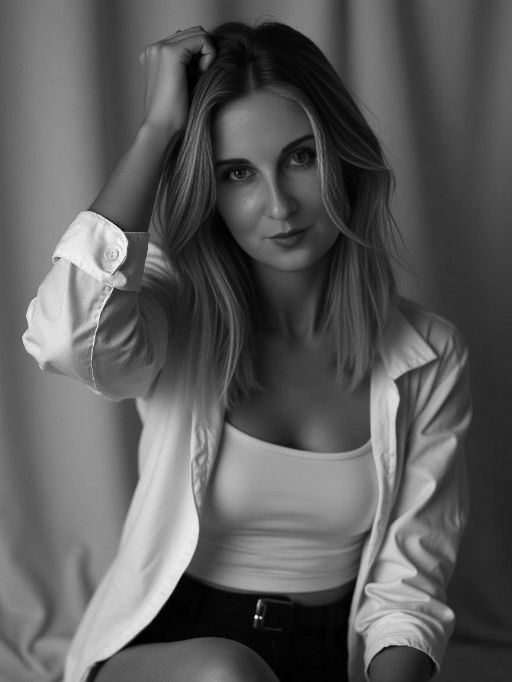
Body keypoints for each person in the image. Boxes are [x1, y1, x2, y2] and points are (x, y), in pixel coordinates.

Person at [22, 20, 471, 682]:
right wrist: (157, 132)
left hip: (327, 653)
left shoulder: (428, 354)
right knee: (227, 672)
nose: (279, 205)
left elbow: (411, 579)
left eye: (301, 157)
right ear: (210, 191)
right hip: (172, 651)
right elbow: (65, 337)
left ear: (345, 158)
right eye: (237, 173)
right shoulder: (174, 314)